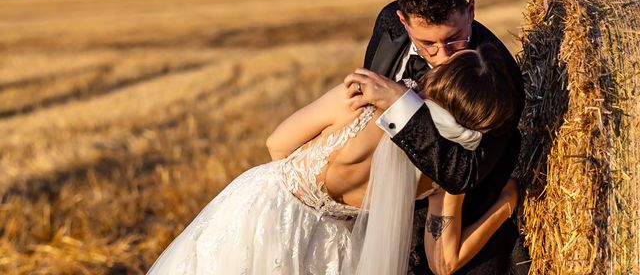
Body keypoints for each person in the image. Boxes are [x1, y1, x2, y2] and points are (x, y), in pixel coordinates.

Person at [146, 45, 518, 274]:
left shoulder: (364, 97)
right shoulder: (445, 172)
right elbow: (444, 262)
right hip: (327, 248)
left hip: (266, 212)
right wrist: (505, 204)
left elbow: (277, 143)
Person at [344, 0, 528, 273]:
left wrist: (399, 105)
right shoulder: (388, 22)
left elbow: (463, 174)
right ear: (403, 20)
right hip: (392, 225)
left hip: (466, 232)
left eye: (453, 38)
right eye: (427, 43)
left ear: (470, 11)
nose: (443, 56)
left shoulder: (501, 77)